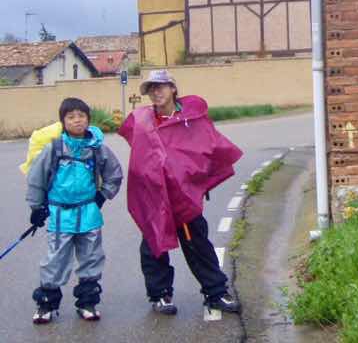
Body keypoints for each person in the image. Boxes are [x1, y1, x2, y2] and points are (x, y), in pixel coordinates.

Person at [119, 69, 243, 315]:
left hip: (182, 198)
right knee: (154, 245)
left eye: (160, 87)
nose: (156, 92)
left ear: (173, 88)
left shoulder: (192, 119)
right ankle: (160, 295)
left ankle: (216, 292)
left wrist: (197, 181)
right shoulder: (141, 122)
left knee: (197, 244)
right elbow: (141, 158)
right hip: (155, 197)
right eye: (151, 89)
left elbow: (210, 148)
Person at [25, 98, 123, 324]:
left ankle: (87, 302)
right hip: (60, 215)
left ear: (88, 119)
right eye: (71, 117)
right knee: (55, 260)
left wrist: (102, 195)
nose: (77, 120)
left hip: (88, 212)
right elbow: (37, 179)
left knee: (91, 258)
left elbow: (114, 174)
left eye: (81, 116)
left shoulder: (97, 148)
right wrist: (37, 207)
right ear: (63, 121)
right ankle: (46, 304)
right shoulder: (55, 148)